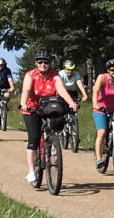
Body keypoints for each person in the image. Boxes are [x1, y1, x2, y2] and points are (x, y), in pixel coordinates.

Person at [19, 51, 79, 185]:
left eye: (46, 62)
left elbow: (61, 90)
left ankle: (51, 145)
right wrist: (23, 104)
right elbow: (26, 91)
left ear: (50, 64)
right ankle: (31, 171)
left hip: (48, 107)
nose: (43, 64)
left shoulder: (55, 75)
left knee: (57, 124)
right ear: (36, 63)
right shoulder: (31, 75)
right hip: (32, 108)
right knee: (33, 139)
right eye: (40, 62)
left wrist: (71, 103)